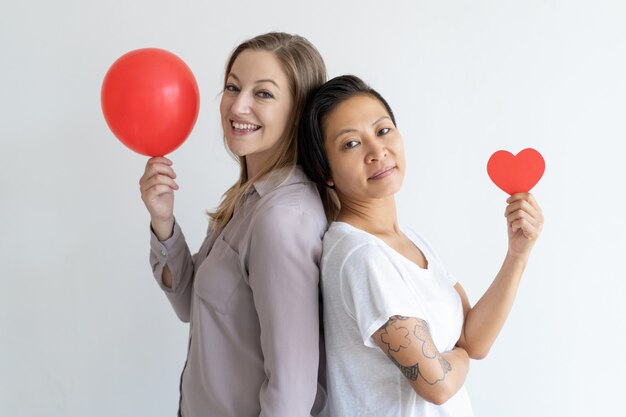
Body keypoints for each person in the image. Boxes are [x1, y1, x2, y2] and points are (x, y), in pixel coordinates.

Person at [298, 75, 544, 417]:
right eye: (351, 144)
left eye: (383, 131)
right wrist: (457, 356)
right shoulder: (360, 256)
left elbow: (475, 341)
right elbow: (437, 385)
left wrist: (518, 254)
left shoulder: (413, 241)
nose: (377, 151)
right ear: (325, 170)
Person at [139, 32, 328, 417]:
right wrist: (163, 222)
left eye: (263, 94)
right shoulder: (249, 198)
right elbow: (191, 305)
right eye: (232, 87)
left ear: (298, 110)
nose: (237, 106)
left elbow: (291, 391)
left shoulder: (282, 219)